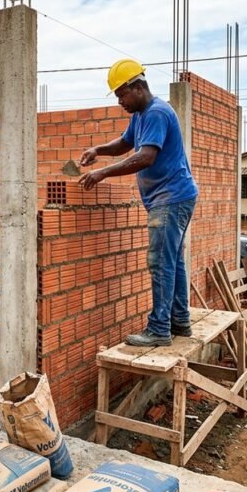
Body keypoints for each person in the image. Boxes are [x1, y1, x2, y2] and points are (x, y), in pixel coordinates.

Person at [78, 59, 199, 347]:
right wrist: (98, 150)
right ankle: (179, 321)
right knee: (173, 260)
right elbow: (125, 143)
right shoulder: (141, 114)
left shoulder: (156, 112)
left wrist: (103, 172)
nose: (120, 101)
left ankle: (159, 329)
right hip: (174, 196)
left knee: (160, 262)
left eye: (122, 94)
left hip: (171, 198)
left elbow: (145, 157)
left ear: (138, 87)